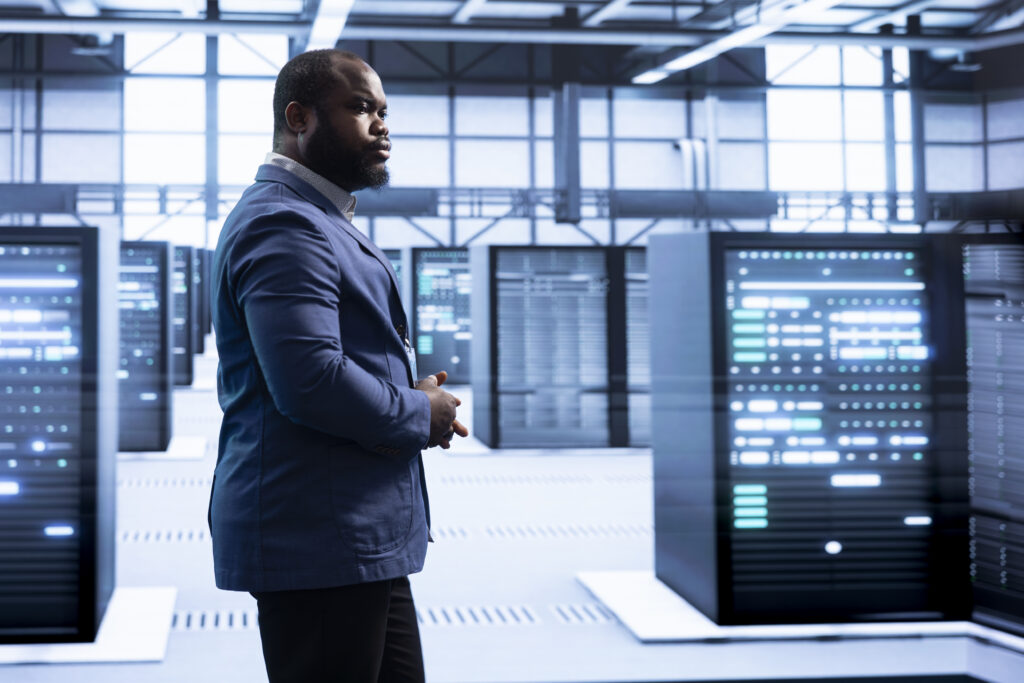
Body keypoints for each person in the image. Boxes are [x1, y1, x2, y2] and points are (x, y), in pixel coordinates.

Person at [208, 48, 468, 682]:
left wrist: (401, 388)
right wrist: (419, 410)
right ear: (299, 118)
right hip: (319, 540)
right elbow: (311, 382)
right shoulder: (284, 225)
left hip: (357, 539)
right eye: (359, 108)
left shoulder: (319, 217)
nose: (381, 124)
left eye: (383, 110)